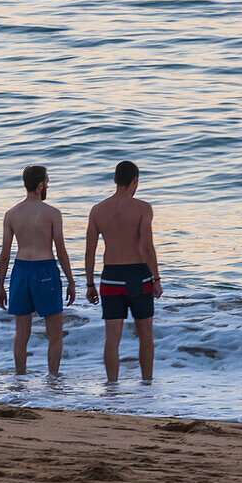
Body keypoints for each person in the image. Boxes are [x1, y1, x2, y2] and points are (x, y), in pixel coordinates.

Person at [85, 160, 163, 382]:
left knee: (112, 337)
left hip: (110, 277)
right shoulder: (143, 208)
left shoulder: (98, 210)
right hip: (138, 276)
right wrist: (156, 278)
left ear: (115, 180)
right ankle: (147, 383)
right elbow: (147, 247)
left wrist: (90, 284)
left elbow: (89, 251)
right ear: (135, 181)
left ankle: (112, 387)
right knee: (145, 336)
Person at [0, 165, 76, 376]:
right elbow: (61, 251)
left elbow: (4, 254)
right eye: (47, 181)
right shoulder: (52, 213)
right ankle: (52, 379)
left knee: (21, 334)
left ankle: (20, 379)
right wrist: (71, 281)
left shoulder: (11, 214)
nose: (48, 185)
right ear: (40, 185)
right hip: (45, 272)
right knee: (55, 334)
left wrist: (0, 286)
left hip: (20, 271)